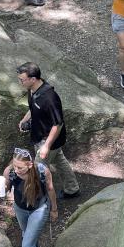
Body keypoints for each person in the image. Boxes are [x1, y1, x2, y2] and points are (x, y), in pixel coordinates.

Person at [17, 62, 80, 198]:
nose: (20, 82)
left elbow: (58, 124)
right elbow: (33, 107)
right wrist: (24, 119)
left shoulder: (50, 98)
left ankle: (38, 199)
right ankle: (72, 189)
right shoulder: (33, 90)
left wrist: (46, 146)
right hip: (40, 136)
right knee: (60, 161)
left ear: (33, 79)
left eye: (22, 79)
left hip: (48, 141)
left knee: (38, 170)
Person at [2, 148, 57, 247]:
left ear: (30, 165)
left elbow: (50, 189)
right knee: (27, 237)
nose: (17, 170)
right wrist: (1, 188)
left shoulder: (42, 171)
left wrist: (54, 209)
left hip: (39, 209)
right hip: (20, 208)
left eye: (20, 167)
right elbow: (7, 188)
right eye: (15, 166)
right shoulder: (10, 172)